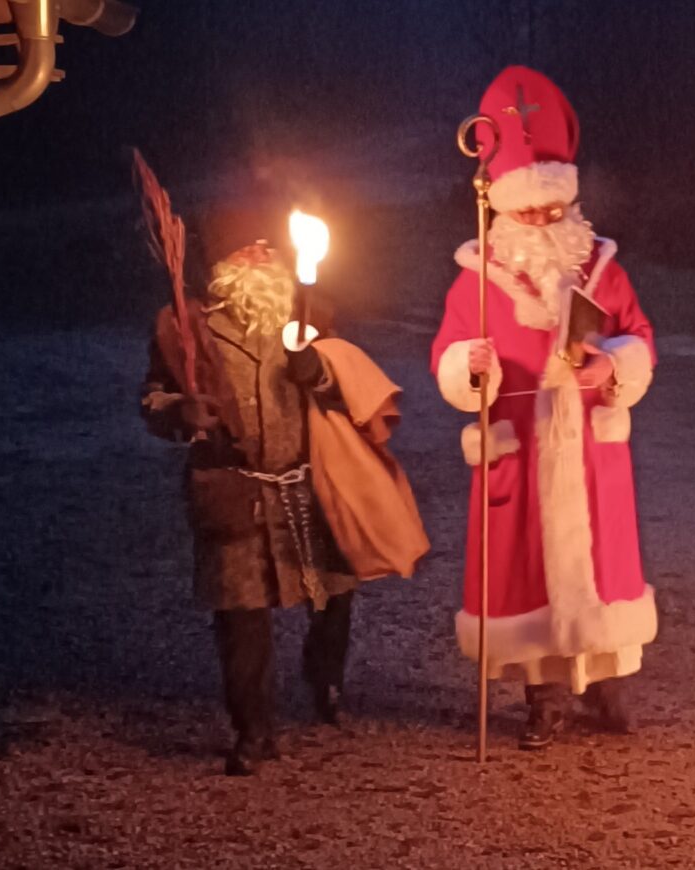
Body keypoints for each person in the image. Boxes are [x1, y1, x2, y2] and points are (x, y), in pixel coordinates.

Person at [142, 203, 428, 774]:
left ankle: (325, 679)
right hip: (233, 489)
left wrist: (316, 372)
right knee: (241, 615)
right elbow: (151, 399)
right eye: (245, 249)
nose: (260, 255)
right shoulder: (185, 327)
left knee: (336, 593)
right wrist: (181, 409)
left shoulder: (310, 315)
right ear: (222, 264)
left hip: (310, 484)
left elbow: (345, 385)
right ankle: (254, 730)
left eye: (267, 247)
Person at [431, 66, 657, 750]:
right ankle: (543, 696)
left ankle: (605, 683)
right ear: (502, 205)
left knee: (601, 568)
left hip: (588, 441)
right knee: (529, 572)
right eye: (527, 211)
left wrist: (610, 362)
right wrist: (470, 369)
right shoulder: (479, 279)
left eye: (551, 210)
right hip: (521, 443)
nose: (540, 220)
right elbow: (452, 355)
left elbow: (637, 337)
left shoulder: (602, 266)